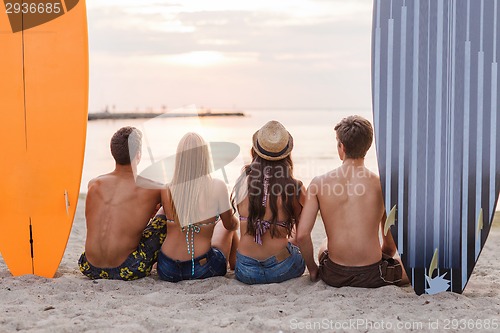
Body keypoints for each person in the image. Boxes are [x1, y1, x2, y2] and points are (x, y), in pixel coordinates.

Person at [297, 115, 406, 288]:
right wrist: (383, 256)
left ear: (342, 146)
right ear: (367, 147)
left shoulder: (318, 183)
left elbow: (302, 235)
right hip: (373, 274)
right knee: (409, 266)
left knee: (325, 244)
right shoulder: (383, 186)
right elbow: (389, 246)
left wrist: (312, 269)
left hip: (334, 274)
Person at [79, 127, 166, 280]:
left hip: (88, 266)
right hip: (128, 267)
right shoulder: (154, 188)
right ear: (138, 155)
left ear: (113, 153)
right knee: (164, 217)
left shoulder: (94, 184)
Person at [156, 132, 239, 282]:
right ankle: (236, 266)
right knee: (229, 230)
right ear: (205, 157)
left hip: (167, 268)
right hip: (201, 268)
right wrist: (234, 219)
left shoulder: (166, 188)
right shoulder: (217, 186)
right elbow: (230, 224)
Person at [232, 120, 306, 284]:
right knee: (296, 250)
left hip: (245, 269)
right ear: (287, 155)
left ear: (254, 151)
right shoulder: (295, 187)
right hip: (281, 267)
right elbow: (302, 235)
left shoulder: (242, 180)